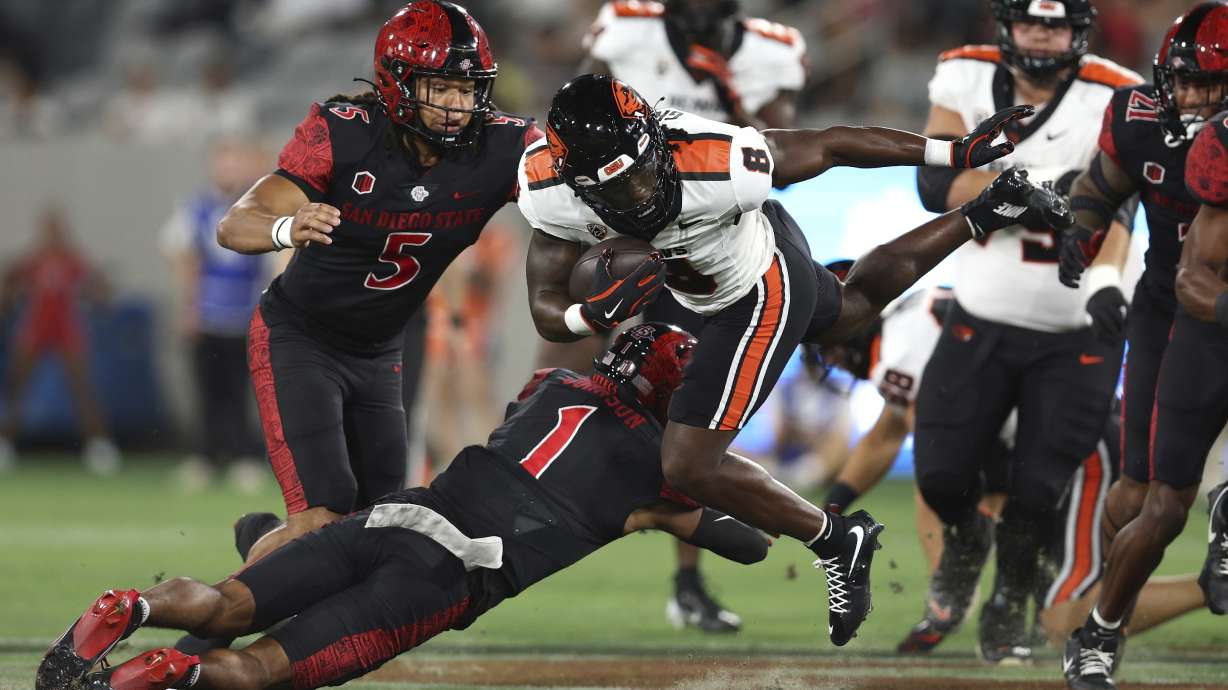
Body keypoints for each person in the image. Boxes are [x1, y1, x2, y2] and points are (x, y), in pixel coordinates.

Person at [519, 72, 1072, 644]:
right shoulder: (547, 190)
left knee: (688, 465)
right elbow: (545, 307)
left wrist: (953, 152)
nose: (638, 196)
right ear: (575, 185)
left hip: (755, 287)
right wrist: (591, 316)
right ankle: (987, 210)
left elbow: (831, 145)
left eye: (640, 173)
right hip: (727, 269)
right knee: (853, 311)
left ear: (655, 139)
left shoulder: (717, 159)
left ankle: (837, 539)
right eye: (615, 189)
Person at [34, 324, 772, 690]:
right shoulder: (653, 468)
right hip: (443, 577)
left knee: (224, 604)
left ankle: (125, 608)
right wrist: (688, 493)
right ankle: (158, 676)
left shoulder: (550, 387)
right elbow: (748, 544)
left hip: (393, 517)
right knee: (258, 669)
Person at [214, 1, 541, 565]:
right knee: (323, 513)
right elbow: (234, 224)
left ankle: (261, 544)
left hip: (380, 347)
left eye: (467, 89)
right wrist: (288, 227)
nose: (457, 105)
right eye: (441, 87)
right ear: (398, 84)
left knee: (376, 523)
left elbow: (571, 182)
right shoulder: (344, 133)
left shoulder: (503, 146)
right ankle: (201, 616)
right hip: (301, 338)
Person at [555, 0, 808, 634]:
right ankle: (533, 487)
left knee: (693, 413)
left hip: (715, 243)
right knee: (568, 356)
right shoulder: (628, 27)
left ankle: (688, 571)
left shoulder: (770, 49)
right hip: (631, 238)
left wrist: (729, 92)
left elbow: (783, 160)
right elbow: (573, 121)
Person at [909, 0, 1142, 663]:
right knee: (941, 475)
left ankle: (1010, 599)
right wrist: (1035, 194)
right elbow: (934, 181)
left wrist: (1104, 279)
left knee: (1038, 491)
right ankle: (966, 540)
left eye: (1056, 24)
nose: (1042, 34)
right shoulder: (963, 73)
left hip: (1077, 326)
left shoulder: (1118, 93)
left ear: (1079, 31)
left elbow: (1118, 205)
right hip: (981, 314)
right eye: (1032, 21)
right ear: (1007, 25)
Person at [811, 284, 1207, 657]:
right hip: (1057, 439)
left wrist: (947, 592)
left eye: (829, 347)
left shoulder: (900, 349)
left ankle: (1214, 584)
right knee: (1055, 599)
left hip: (1076, 447)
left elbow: (935, 456)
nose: (830, 359)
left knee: (1064, 618)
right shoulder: (913, 319)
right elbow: (887, 435)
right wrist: (833, 507)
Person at [1056, 5, 1228, 687]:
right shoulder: (1139, 121)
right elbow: (1101, 187)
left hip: (1201, 306)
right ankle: (1106, 621)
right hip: (1178, 313)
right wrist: (1082, 228)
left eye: (1212, 86)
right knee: (1146, 498)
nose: (1196, 99)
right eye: (1187, 83)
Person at [161, 135, 270, 492]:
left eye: (235, 160)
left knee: (244, 390)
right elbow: (182, 255)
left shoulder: (259, 205)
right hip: (208, 313)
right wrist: (187, 308)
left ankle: (244, 456)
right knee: (208, 388)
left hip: (246, 312)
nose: (229, 168)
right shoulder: (197, 208)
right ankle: (205, 456)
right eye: (223, 160)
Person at [0, 206, 120, 475]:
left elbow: (95, 286)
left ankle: (99, 446)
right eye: (48, 229)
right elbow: (10, 279)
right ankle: (5, 443)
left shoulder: (72, 259)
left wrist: (101, 292)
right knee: (17, 387)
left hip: (66, 329)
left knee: (82, 388)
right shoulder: (33, 260)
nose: (52, 235)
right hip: (36, 329)